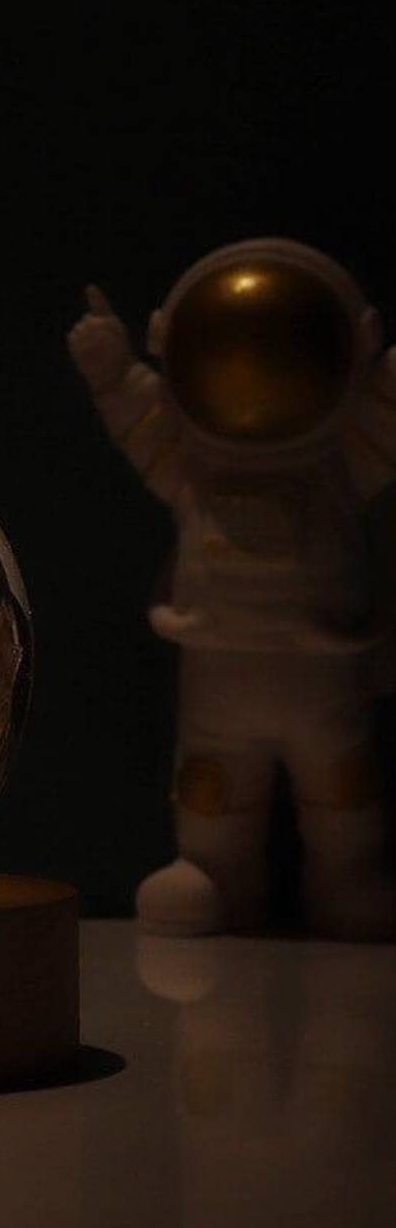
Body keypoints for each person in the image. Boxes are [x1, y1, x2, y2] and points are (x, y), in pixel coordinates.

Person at [69, 238, 396, 938]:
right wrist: (109, 370)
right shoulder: (194, 471)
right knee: (212, 785)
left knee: (342, 789)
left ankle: (346, 877)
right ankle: (213, 873)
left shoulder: (336, 469)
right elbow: (140, 418)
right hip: (224, 673)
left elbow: (383, 424)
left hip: (323, 673)